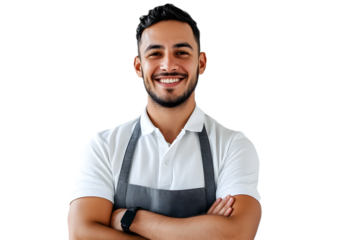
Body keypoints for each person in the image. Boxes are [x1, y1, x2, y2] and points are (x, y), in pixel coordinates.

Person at [67, 2, 262, 240]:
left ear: (201, 62)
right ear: (138, 67)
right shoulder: (104, 146)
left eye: (181, 52)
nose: (168, 65)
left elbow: (237, 234)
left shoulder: (234, 145)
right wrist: (205, 231)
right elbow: (82, 233)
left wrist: (130, 219)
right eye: (155, 53)